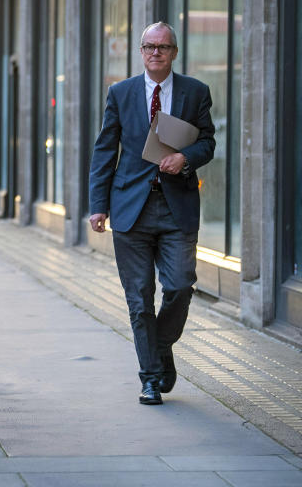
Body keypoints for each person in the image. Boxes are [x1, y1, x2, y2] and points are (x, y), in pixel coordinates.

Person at [88, 22, 215, 405]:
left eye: (163, 46)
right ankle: (150, 377)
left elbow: (208, 141)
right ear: (141, 52)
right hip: (130, 209)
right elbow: (105, 151)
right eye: (148, 46)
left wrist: (185, 158)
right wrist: (98, 205)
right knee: (139, 298)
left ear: (174, 52)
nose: (155, 52)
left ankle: (159, 349)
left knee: (179, 287)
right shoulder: (121, 93)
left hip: (176, 208)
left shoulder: (195, 92)